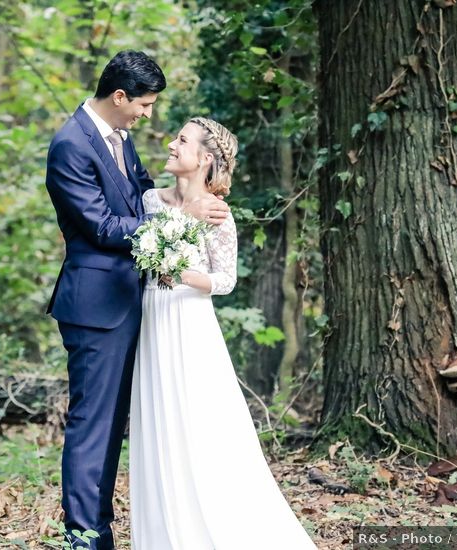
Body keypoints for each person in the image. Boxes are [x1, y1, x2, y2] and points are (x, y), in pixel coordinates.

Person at [44, 51, 230, 550]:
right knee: (93, 423)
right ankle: (85, 537)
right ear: (120, 96)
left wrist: (186, 204)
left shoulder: (119, 138)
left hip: (138, 301)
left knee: (123, 423)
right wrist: (182, 216)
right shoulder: (70, 145)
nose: (149, 115)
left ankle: (111, 528)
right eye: (144, 105)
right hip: (96, 306)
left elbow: (145, 198)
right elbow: (101, 226)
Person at [129, 117, 317, 549]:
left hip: (189, 324)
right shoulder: (149, 201)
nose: (171, 144)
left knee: (197, 426)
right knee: (156, 423)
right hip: (151, 321)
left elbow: (225, 279)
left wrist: (180, 273)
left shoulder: (218, 214)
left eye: (181, 140)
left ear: (205, 157)